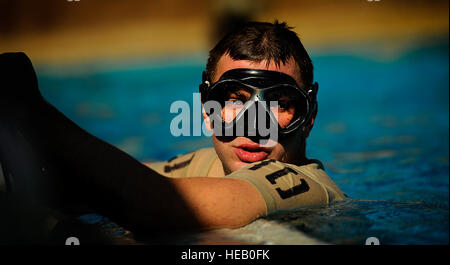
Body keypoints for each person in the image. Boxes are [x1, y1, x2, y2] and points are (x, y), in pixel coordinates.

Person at [0, 21, 345, 237]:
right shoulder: (204, 164)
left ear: (309, 115)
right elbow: (104, 185)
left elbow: (156, 206)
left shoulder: (305, 186)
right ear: (207, 111)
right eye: (235, 101)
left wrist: (31, 112)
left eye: (279, 104)